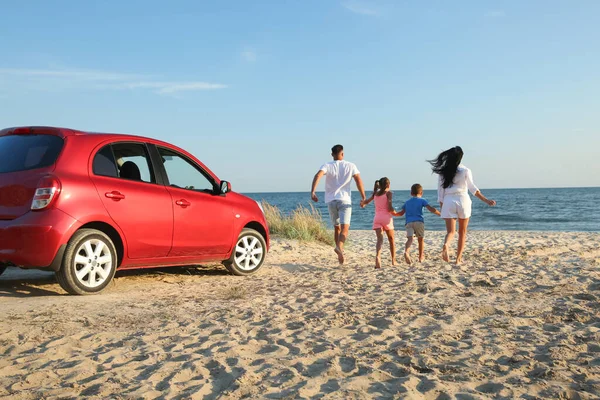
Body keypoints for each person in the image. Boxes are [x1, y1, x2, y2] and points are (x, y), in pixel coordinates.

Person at [428, 146, 496, 265]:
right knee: (462, 232)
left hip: (448, 201)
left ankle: (446, 244)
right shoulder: (465, 170)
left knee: (451, 232)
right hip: (463, 199)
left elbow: (440, 193)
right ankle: (458, 259)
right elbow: (473, 189)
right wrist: (486, 200)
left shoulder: (443, 172)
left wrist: (442, 208)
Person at [311, 144, 366, 264]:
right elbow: (358, 180)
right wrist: (363, 197)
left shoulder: (327, 165)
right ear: (342, 153)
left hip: (331, 201)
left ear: (332, 154)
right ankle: (339, 247)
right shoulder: (351, 165)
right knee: (345, 229)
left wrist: (313, 191)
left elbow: (318, 175)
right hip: (345, 200)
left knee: (337, 228)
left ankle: (339, 255)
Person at [393, 184, 441, 264]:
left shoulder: (407, 202)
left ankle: (407, 252)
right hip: (419, 222)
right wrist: (440, 213)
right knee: (420, 239)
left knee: (410, 239)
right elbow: (431, 209)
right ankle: (421, 257)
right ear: (421, 192)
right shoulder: (422, 200)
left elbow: (401, 213)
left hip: (409, 223)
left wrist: (393, 213)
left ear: (411, 193)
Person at [362, 177, 398, 269]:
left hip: (377, 218)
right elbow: (389, 207)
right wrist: (396, 212)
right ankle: (393, 260)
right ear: (388, 185)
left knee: (379, 240)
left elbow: (365, 202)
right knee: (391, 240)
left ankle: (378, 256)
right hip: (386, 218)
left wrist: (362, 203)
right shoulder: (389, 193)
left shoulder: (375, 193)